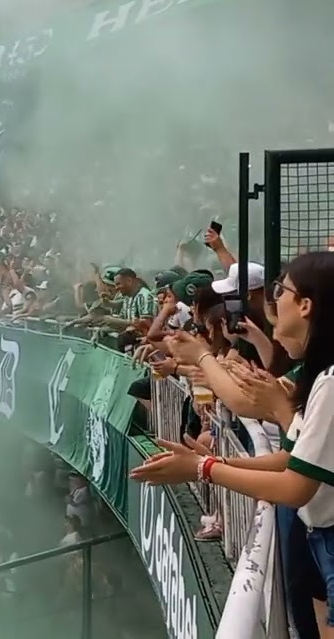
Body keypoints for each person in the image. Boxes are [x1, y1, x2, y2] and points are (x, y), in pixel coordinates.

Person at [131, 252, 334, 634]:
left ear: (306, 305)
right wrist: (212, 463)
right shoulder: (319, 373)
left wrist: (202, 468)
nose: (274, 303)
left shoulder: (329, 381)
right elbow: (292, 460)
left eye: (281, 290)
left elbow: (294, 485)